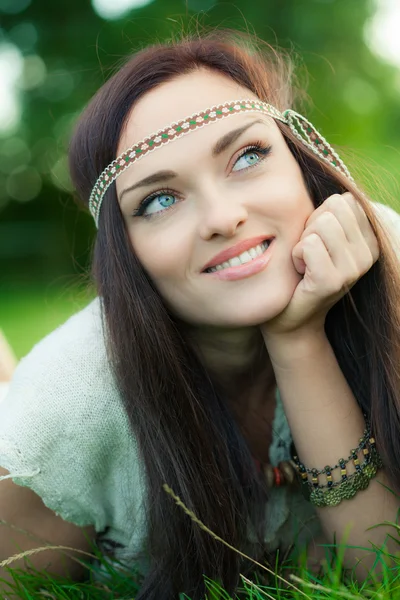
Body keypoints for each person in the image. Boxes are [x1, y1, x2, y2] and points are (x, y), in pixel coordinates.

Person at [1, 29, 400, 600]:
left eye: (248, 156)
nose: (222, 216)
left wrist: (298, 338)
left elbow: (383, 570)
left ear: (304, 162)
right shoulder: (66, 411)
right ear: (125, 252)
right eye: (159, 199)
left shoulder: (384, 259)